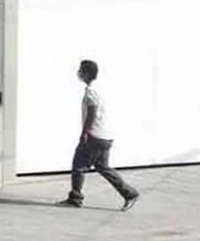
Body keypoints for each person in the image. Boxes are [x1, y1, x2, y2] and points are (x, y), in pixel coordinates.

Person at [60, 60, 140, 211]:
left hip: (94, 136)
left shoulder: (91, 91)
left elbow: (92, 113)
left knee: (78, 166)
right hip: (105, 135)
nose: (79, 73)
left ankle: (75, 198)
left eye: (81, 70)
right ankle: (129, 194)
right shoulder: (101, 89)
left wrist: (85, 132)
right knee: (103, 168)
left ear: (87, 73)